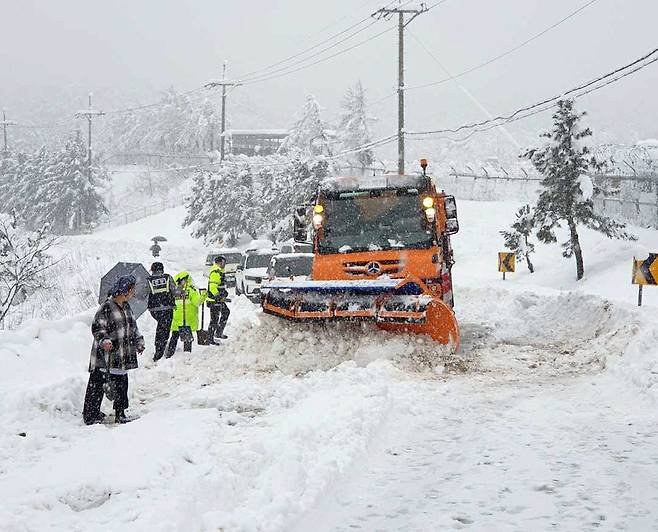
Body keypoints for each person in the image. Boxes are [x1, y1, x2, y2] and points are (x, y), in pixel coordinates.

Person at [82, 274, 145, 425]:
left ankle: (120, 413)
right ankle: (90, 415)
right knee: (97, 386)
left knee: (121, 385)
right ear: (124, 291)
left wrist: (139, 341)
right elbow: (98, 327)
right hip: (106, 357)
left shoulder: (126, 307)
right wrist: (104, 340)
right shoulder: (106, 307)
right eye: (132, 290)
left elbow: (133, 327)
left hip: (122, 354)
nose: (133, 293)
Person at [166, 271, 205, 357]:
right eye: (185, 280)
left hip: (177, 319)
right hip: (186, 319)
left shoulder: (174, 291)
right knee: (185, 339)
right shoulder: (191, 291)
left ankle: (170, 354)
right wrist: (203, 296)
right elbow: (197, 302)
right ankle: (185, 356)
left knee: (174, 337)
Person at [147, 262, 177, 362]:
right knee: (164, 329)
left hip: (154, 310)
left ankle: (159, 348)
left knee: (161, 326)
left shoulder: (149, 280)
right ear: (162, 269)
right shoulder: (168, 278)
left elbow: (141, 295)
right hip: (167, 308)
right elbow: (175, 291)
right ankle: (160, 350)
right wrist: (181, 288)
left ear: (152, 270)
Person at [207, 255, 231, 343]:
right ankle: (210, 338)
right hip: (214, 300)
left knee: (225, 312)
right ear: (219, 262)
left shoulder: (219, 271)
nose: (224, 264)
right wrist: (218, 297)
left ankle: (218, 333)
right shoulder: (215, 272)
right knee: (214, 319)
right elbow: (212, 287)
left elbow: (220, 285)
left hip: (218, 299)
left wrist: (224, 293)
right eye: (223, 262)